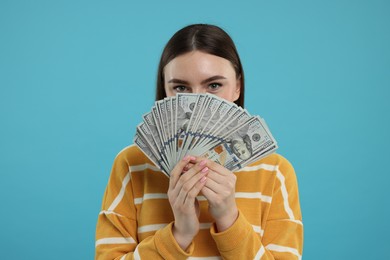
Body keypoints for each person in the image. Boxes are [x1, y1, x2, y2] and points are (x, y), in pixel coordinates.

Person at [95, 24, 303, 259]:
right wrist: (179, 234)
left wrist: (228, 217)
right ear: (165, 91)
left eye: (214, 85)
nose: (196, 104)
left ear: (237, 87)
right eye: (181, 87)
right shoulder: (131, 165)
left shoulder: (275, 173)